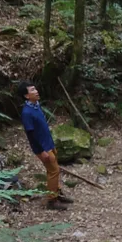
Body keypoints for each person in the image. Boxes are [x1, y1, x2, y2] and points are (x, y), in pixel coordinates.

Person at [17, 81, 73, 210]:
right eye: (32, 90)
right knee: (54, 170)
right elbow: (31, 134)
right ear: (26, 96)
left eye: (35, 89)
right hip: (42, 147)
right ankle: (52, 201)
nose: (36, 91)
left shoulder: (36, 105)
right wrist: (42, 151)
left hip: (48, 143)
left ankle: (57, 193)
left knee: (53, 169)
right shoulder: (26, 113)